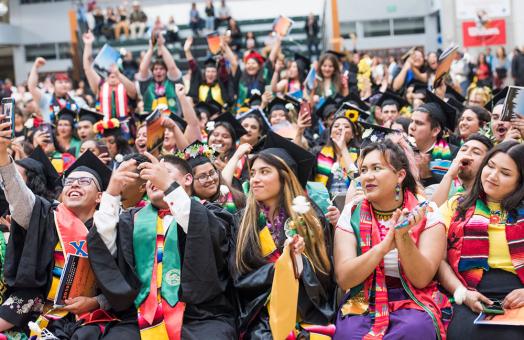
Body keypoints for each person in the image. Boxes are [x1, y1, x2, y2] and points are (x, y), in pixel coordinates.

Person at [0, 127, 138, 338]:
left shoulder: (117, 226)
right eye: (70, 182)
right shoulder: (45, 216)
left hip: (95, 317)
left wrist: (95, 301)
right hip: (43, 315)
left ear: (100, 196)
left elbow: (126, 280)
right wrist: (2, 155)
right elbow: (19, 197)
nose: (74, 185)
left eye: (84, 182)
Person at [87, 153, 237, 338]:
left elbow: (208, 237)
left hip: (199, 315)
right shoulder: (131, 220)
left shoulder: (210, 214)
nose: (154, 178)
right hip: (138, 317)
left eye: (163, 172)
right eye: (151, 176)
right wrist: (111, 194)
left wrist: (169, 187)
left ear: (188, 179)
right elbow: (104, 248)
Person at [334, 140, 450, 339]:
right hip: (363, 296)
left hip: (412, 296)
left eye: (376, 168)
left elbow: (421, 279)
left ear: (400, 175)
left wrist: (403, 238)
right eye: (363, 170)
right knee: (349, 334)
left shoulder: (426, 211)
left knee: (415, 329)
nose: (367, 176)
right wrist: (383, 247)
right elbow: (345, 278)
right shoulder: (352, 211)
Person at [231, 131, 335, 338]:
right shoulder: (243, 220)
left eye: (265, 172)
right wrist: (282, 266)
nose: (255, 180)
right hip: (259, 313)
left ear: (285, 176)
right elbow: (239, 276)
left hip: (305, 311)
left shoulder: (309, 216)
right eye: (253, 173)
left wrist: (300, 261)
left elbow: (325, 274)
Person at [438, 141, 524, 339]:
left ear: (520, 181)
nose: (492, 176)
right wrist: (461, 292)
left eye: (505, 173)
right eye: (490, 166)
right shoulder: (456, 206)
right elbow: (439, 260)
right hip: (465, 290)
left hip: (517, 294)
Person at [83, 31, 137, 120]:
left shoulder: (127, 86)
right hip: (104, 129)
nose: (112, 73)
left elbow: (134, 92)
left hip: (125, 130)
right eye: (109, 72)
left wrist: (118, 73)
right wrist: (88, 44)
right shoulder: (100, 86)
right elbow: (88, 68)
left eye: (115, 71)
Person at [179, 141, 245, 213]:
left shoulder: (237, 198)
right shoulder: (189, 211)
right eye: (202, 176)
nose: (210, 179)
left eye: (212, 173)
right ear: (189, 180)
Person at [409, 90, 458, 186]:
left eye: (419, 123)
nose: (411, 127)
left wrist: (427, 175)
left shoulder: (453, 154)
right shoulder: (403, 150)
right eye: (411, 121)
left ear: (435, 130)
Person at [431, 133, 493, 206]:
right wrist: (449, 175)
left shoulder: (491, 197)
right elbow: (432, 214)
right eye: (463, 150)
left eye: (476, 152)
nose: (466, 154)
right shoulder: (434, 189)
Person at [27, 58, 85, 123]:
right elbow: (32, 87)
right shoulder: (46, 99)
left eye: (66, 82)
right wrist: (35, 67)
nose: (64, 85)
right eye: (60, 82)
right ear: (53, 85)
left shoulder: (78, 101)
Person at [138, 32, 183, 114]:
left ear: (166, 71)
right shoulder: (147, 84)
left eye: (161, 69)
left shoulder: (173, 82)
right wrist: (151, 48)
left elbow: (172, 68)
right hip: (151, 123)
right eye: (155, 69)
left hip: (174, 121)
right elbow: (143, 70)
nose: (158, 71)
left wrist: (161, 45)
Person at [314, 114, 358, 195]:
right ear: (330, 134)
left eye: (346, 127)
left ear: (352, 135)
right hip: (320, 202)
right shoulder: (318, 152)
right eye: (336, 126)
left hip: (348, 203)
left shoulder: (359, 155)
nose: (341, 128)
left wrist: (343, 147)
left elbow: (356, 179)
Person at [184, 36, 234, 107]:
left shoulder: (221, 85)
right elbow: (194, 68)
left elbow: (223, 72)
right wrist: (187, 51)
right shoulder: (200, 85)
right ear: (205, 73)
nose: (210, 74)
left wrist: (222, 55)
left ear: (217, 74)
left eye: (213, 71)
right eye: (208, 71)